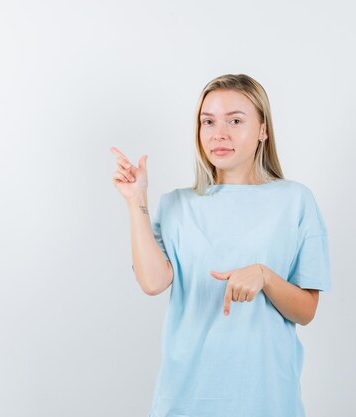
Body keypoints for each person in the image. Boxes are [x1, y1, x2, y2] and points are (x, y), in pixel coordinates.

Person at [110, 73, 332, 417]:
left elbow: (306, 311)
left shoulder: (295, 201)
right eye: (208, 121)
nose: (219, 134)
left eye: (236, 121)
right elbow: (152, 283)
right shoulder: (175, 205)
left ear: (263, 130)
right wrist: (136, 200)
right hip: (186, 398)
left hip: (266, 399)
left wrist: (265, 277)